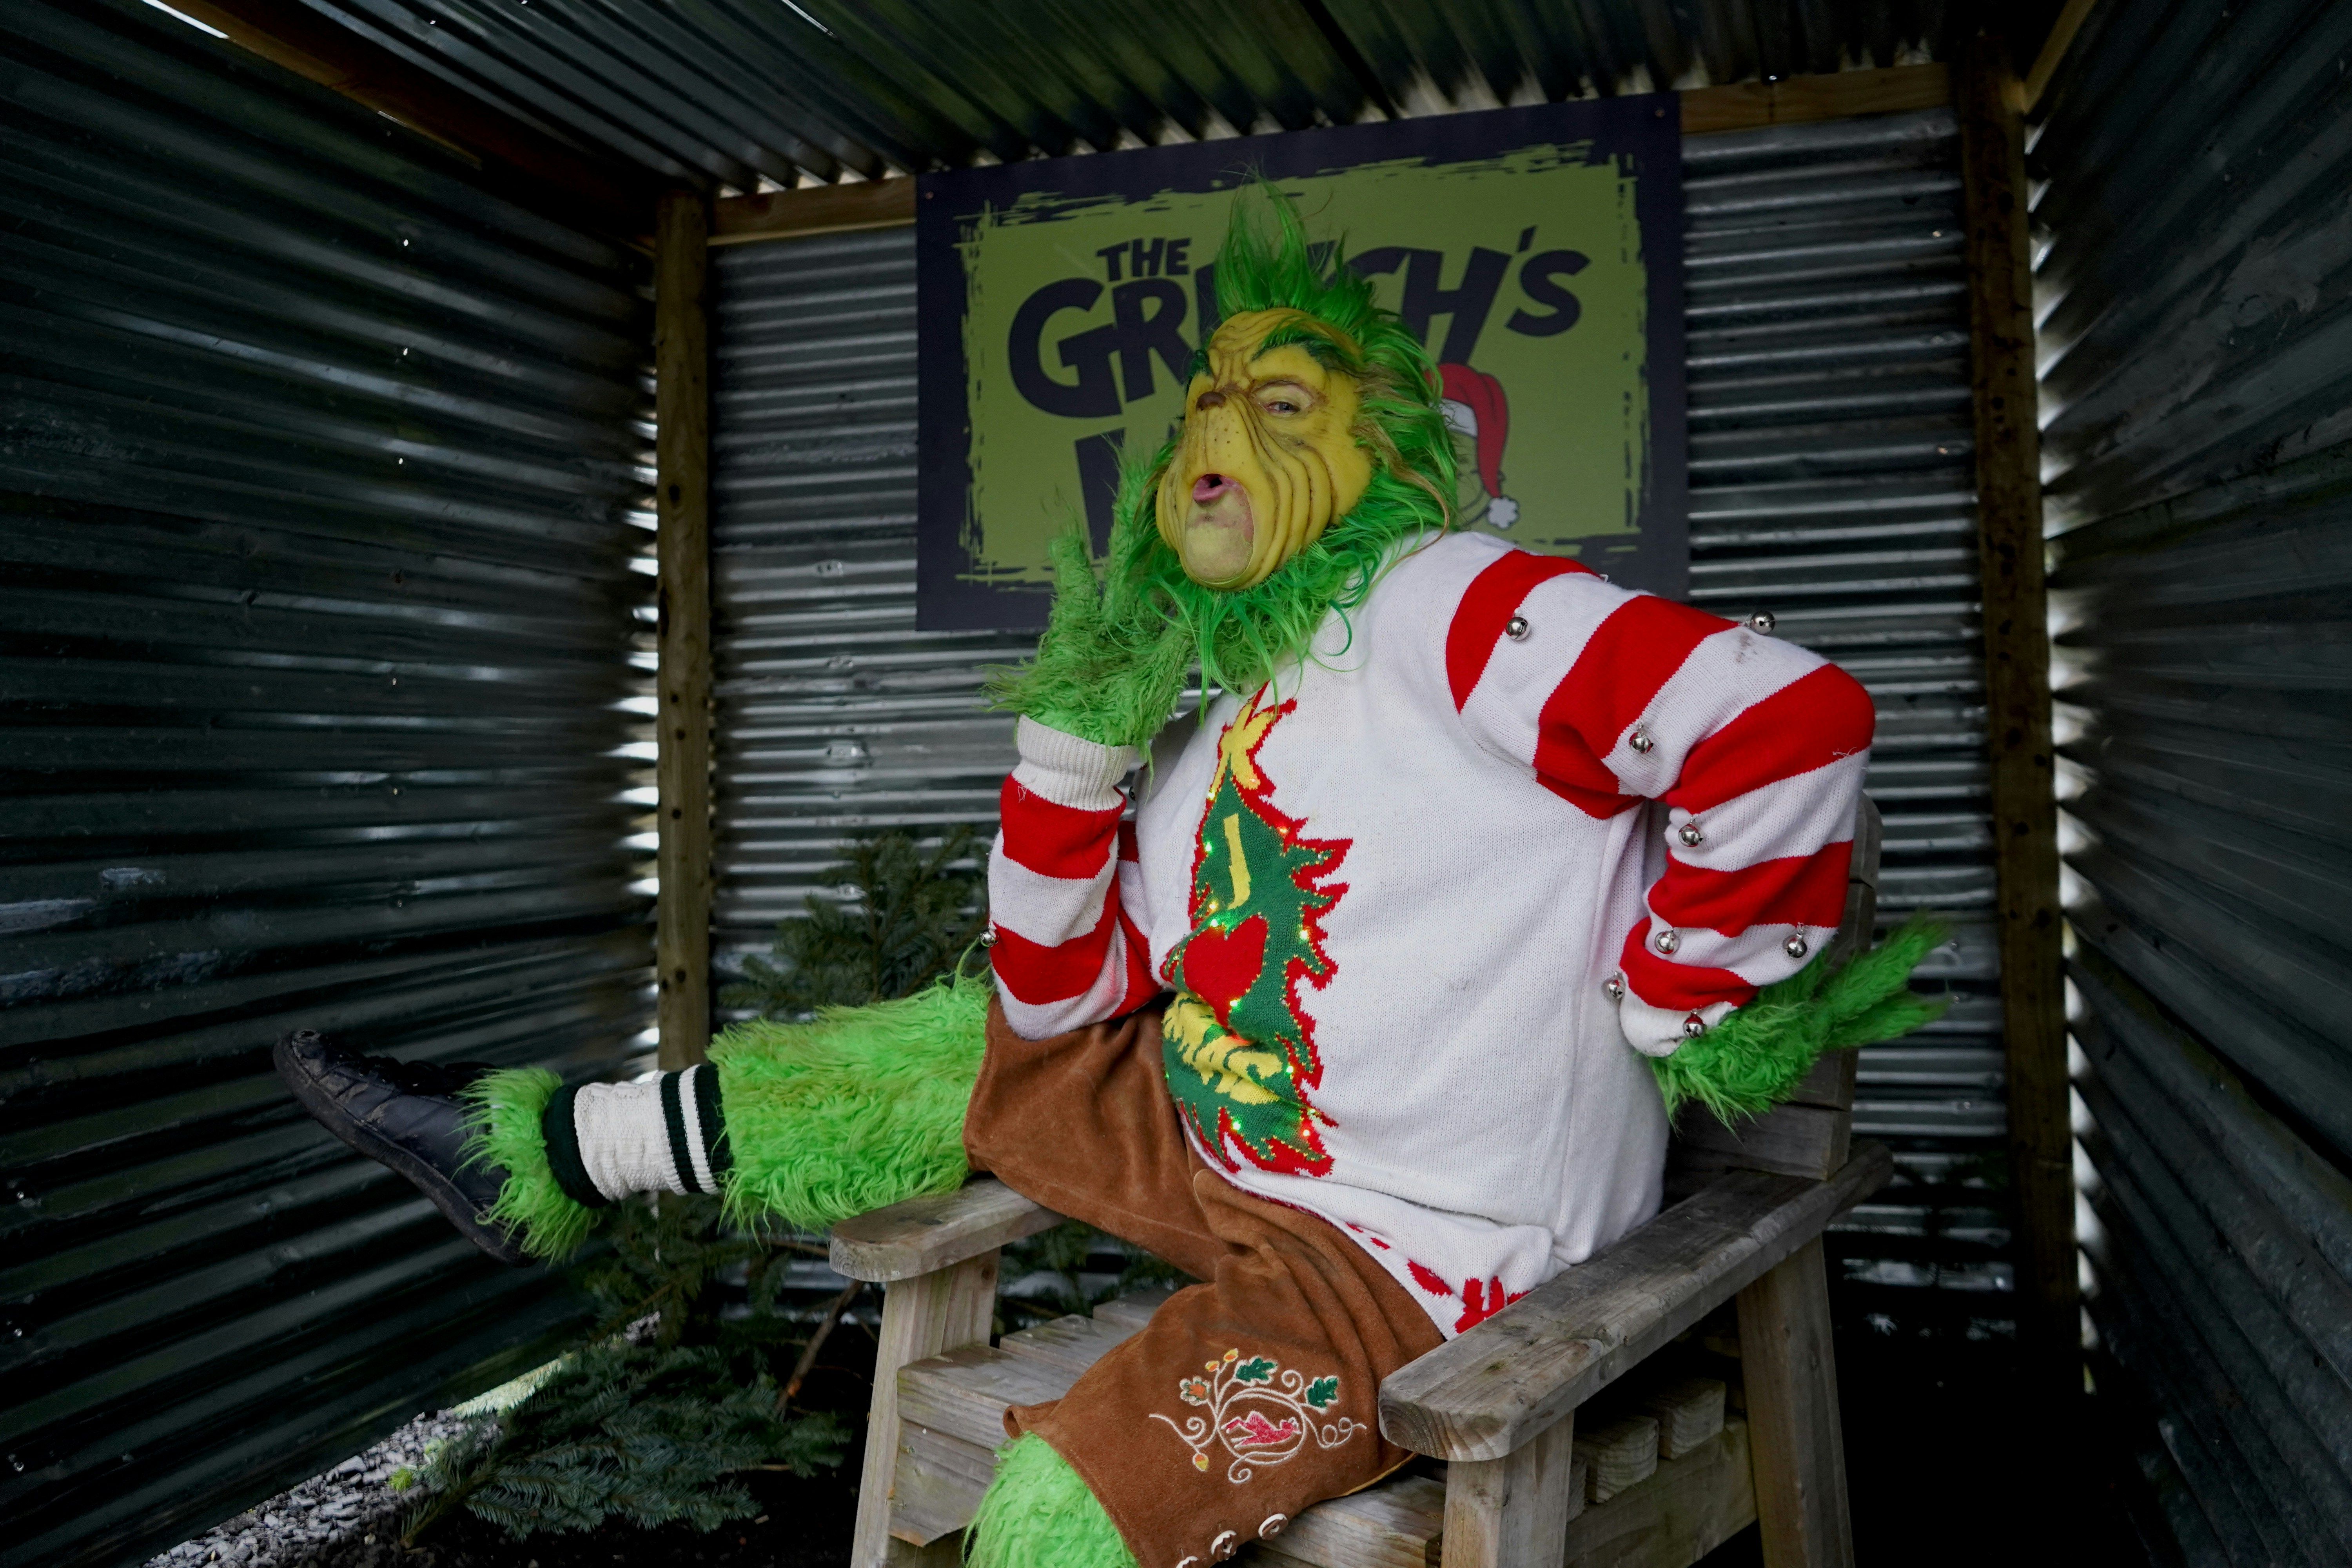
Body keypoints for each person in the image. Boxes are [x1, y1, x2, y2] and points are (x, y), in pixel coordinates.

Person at [279, 190, 1940, 1568]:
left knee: (1059, 1514)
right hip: (1228, 1137)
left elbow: (1785, 722)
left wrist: (1676, 992)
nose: (1218, 431)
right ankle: (548, 1160)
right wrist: (1071, 756)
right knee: (948, 1050)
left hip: (1424, 1262)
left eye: (1280, 404)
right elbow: (1054, 1005)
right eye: (1208, 404)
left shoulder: (1452, 599)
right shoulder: (1227, 714)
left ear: (1393, 453)